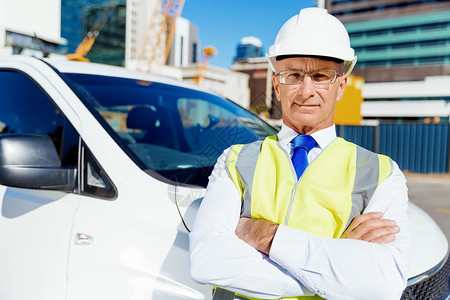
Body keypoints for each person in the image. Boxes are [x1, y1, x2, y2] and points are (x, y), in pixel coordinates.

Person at [189, 7, 409, 300]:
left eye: (321, 76)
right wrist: (337, 268)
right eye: (293, 75)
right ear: (277, 86)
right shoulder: (235, 160)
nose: (306, 90)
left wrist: (260, 233)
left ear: (340, 87)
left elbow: (385, 284)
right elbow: (207, 261)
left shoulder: (382, 172)